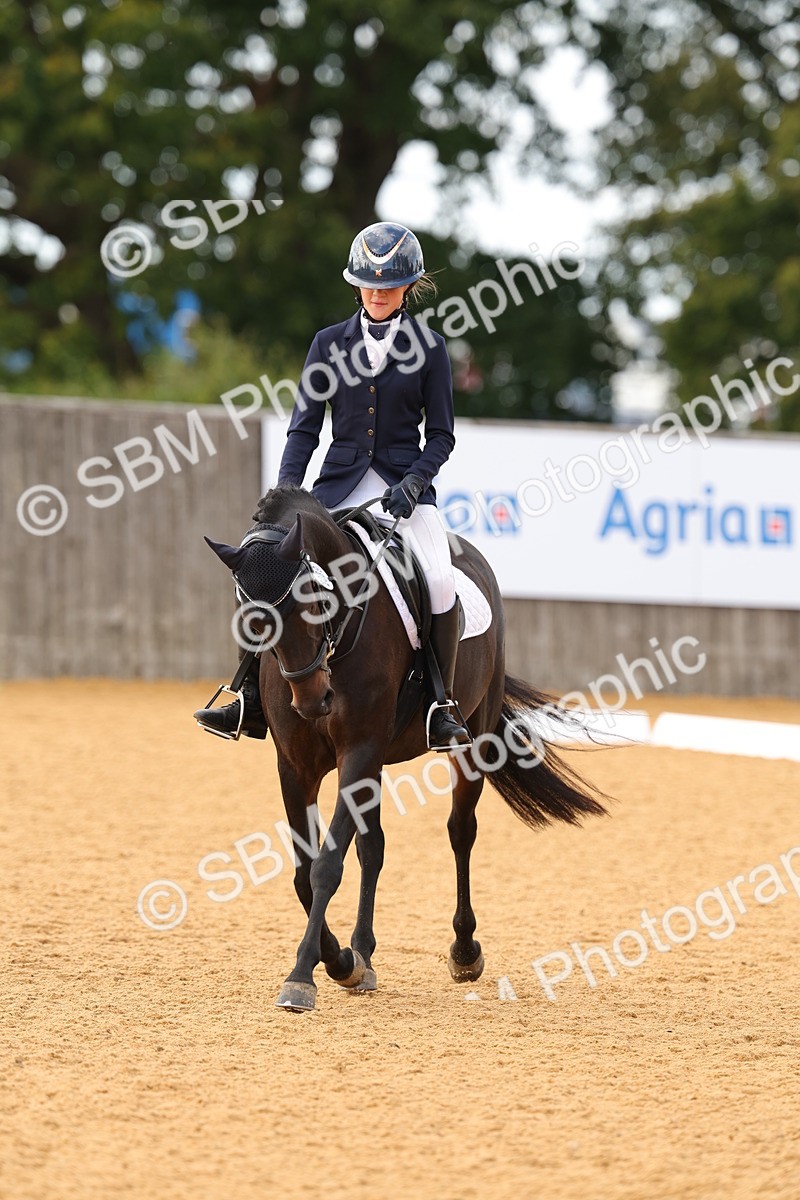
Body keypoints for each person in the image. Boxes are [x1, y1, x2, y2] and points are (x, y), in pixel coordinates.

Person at [195, 221, 471, 750]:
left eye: (388, 287)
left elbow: (441, 436)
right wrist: (286, 494)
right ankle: (248, 695)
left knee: (439, 578)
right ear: (356, 285)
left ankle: (440, 703)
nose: (377, 294)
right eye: (369, 285)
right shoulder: (327, 344)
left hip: (401, 489)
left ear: (408, 287)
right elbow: (304, 428)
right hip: (338, 486)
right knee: (268, 568)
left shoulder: (431, 348)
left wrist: (415, 480)